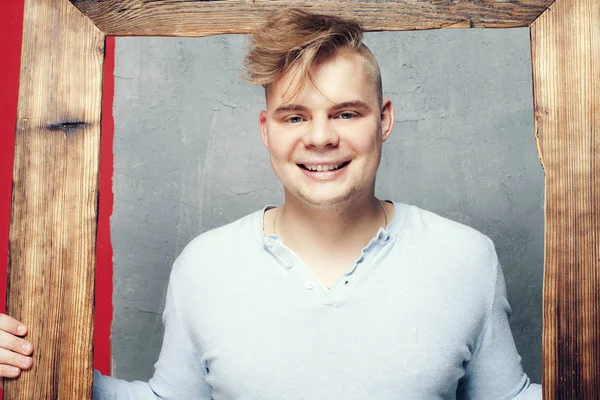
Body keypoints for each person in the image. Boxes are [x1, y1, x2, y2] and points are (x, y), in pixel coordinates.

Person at [0, 8, 541, 399]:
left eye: (347, 113)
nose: (321, 138)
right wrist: (41, 365)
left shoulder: (465, 257)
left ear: (386, 120)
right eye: (295, 116)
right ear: (266, 129)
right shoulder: (204, 266)